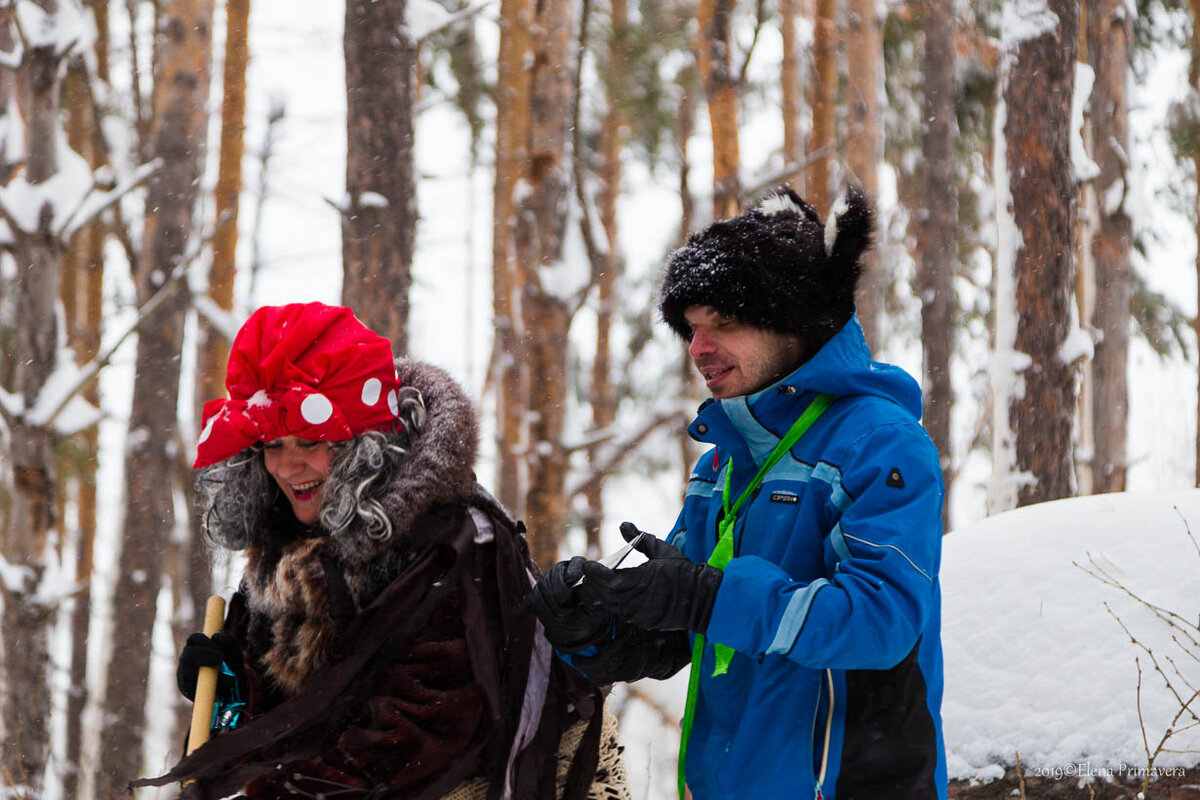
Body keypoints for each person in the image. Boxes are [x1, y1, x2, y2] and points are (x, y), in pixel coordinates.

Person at [532, 187, 947, 800]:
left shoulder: (881, 445)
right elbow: (686, 627)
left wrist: (704, 596)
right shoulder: (722, 464)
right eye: (692, 327)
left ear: (796, 324)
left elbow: (880, 624)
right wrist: (597, 630)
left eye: (724, 323)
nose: (699, 348)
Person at [137, 302, 630, 800]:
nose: (288, 467)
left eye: (311, 440)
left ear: (362, 443)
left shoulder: (454, 544)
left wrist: (274, 787)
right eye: (271, 444)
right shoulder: (285, 538)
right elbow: (300, 712)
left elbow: (420, 734)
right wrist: (234, 694)